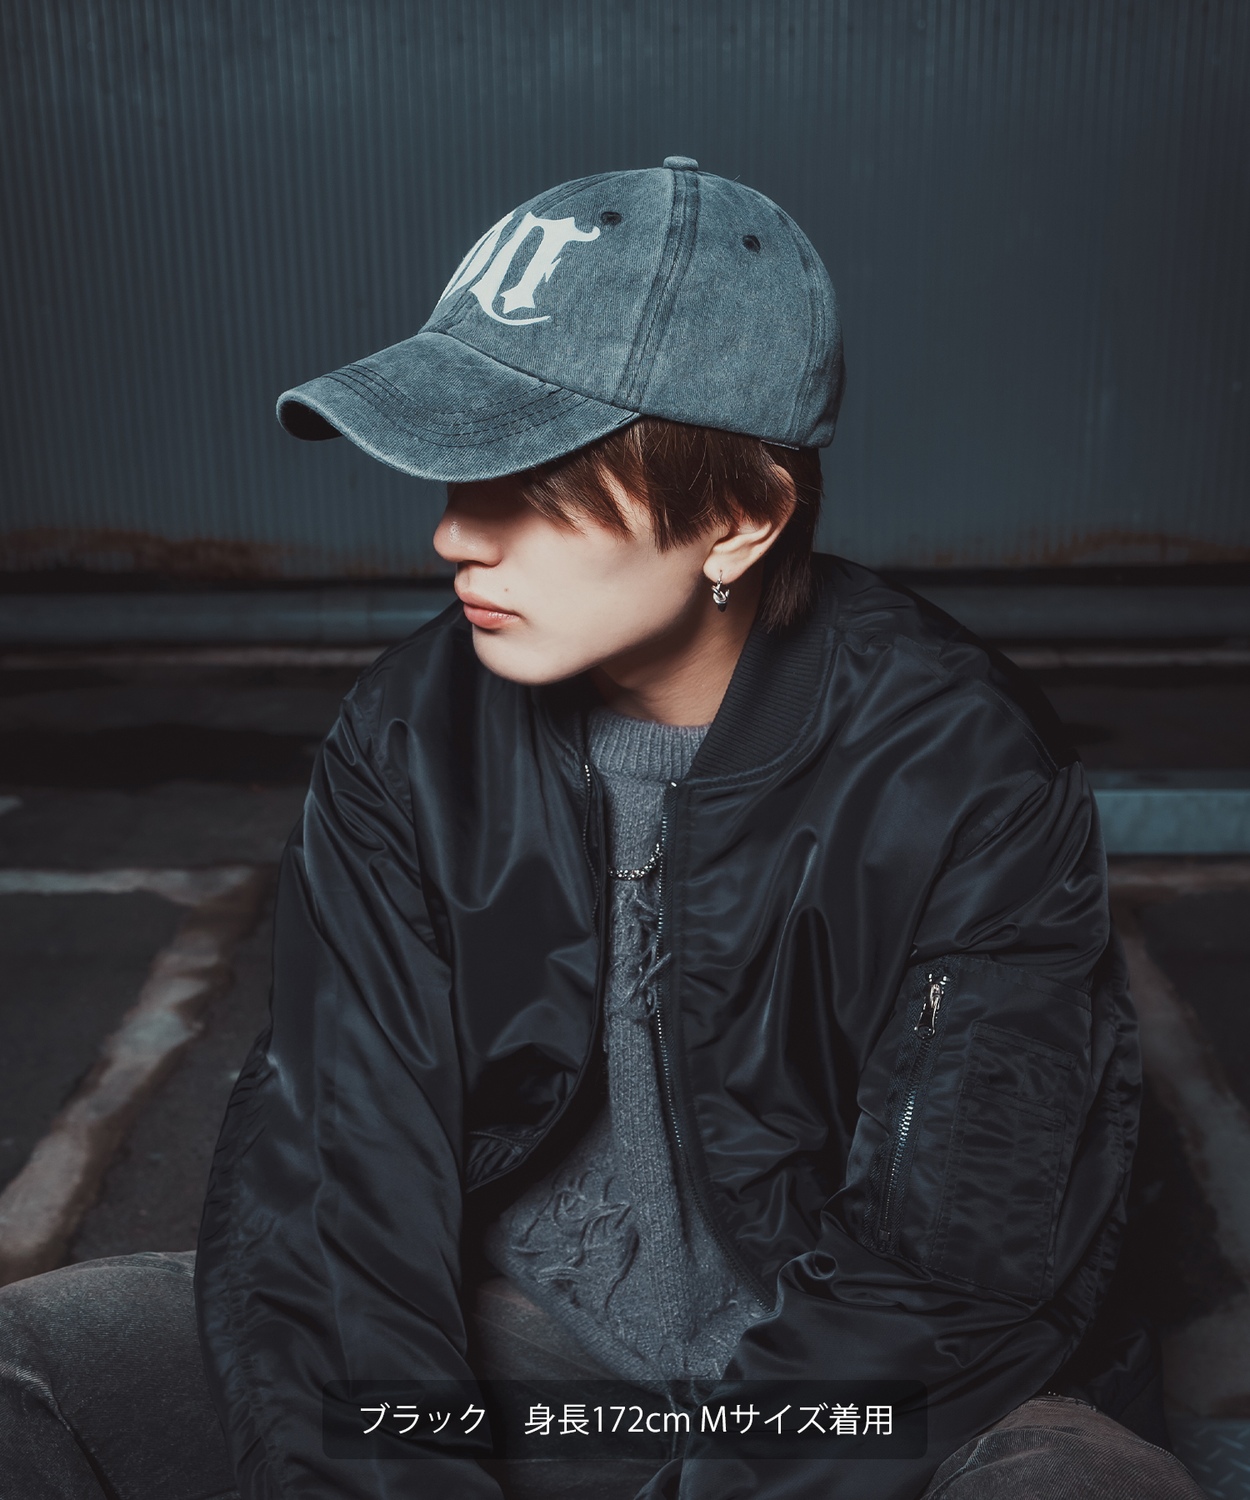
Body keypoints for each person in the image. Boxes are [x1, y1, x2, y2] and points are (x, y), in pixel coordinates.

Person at [0, 158, 1205, 1500]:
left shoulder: (959, 764)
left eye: (525, 481)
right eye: (454, 469)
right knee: (29, 1360)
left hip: (862, 1406)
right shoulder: (409, 735)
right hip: (548, 1365)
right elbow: (339, 1178)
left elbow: (950, 1276)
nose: (454, 535)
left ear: (739, 518)